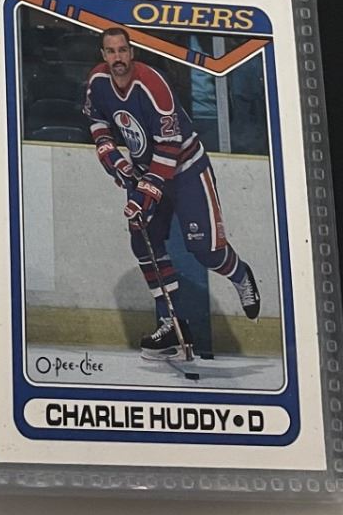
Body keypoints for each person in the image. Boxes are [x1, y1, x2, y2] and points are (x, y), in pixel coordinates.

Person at [83, 25, 260, 360]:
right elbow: (97, 120)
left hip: (186, 169)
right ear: (103, 54)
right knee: (143, 241)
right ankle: (171, 323)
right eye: (111, 51)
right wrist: (113, 158)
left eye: (123, 50)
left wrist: (145, 194)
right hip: (144, 171)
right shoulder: (98, 81)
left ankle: (240, 274)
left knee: (206, 251)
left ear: (132, 52)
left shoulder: (154, 85)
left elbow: (170, 146)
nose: (118, 58)